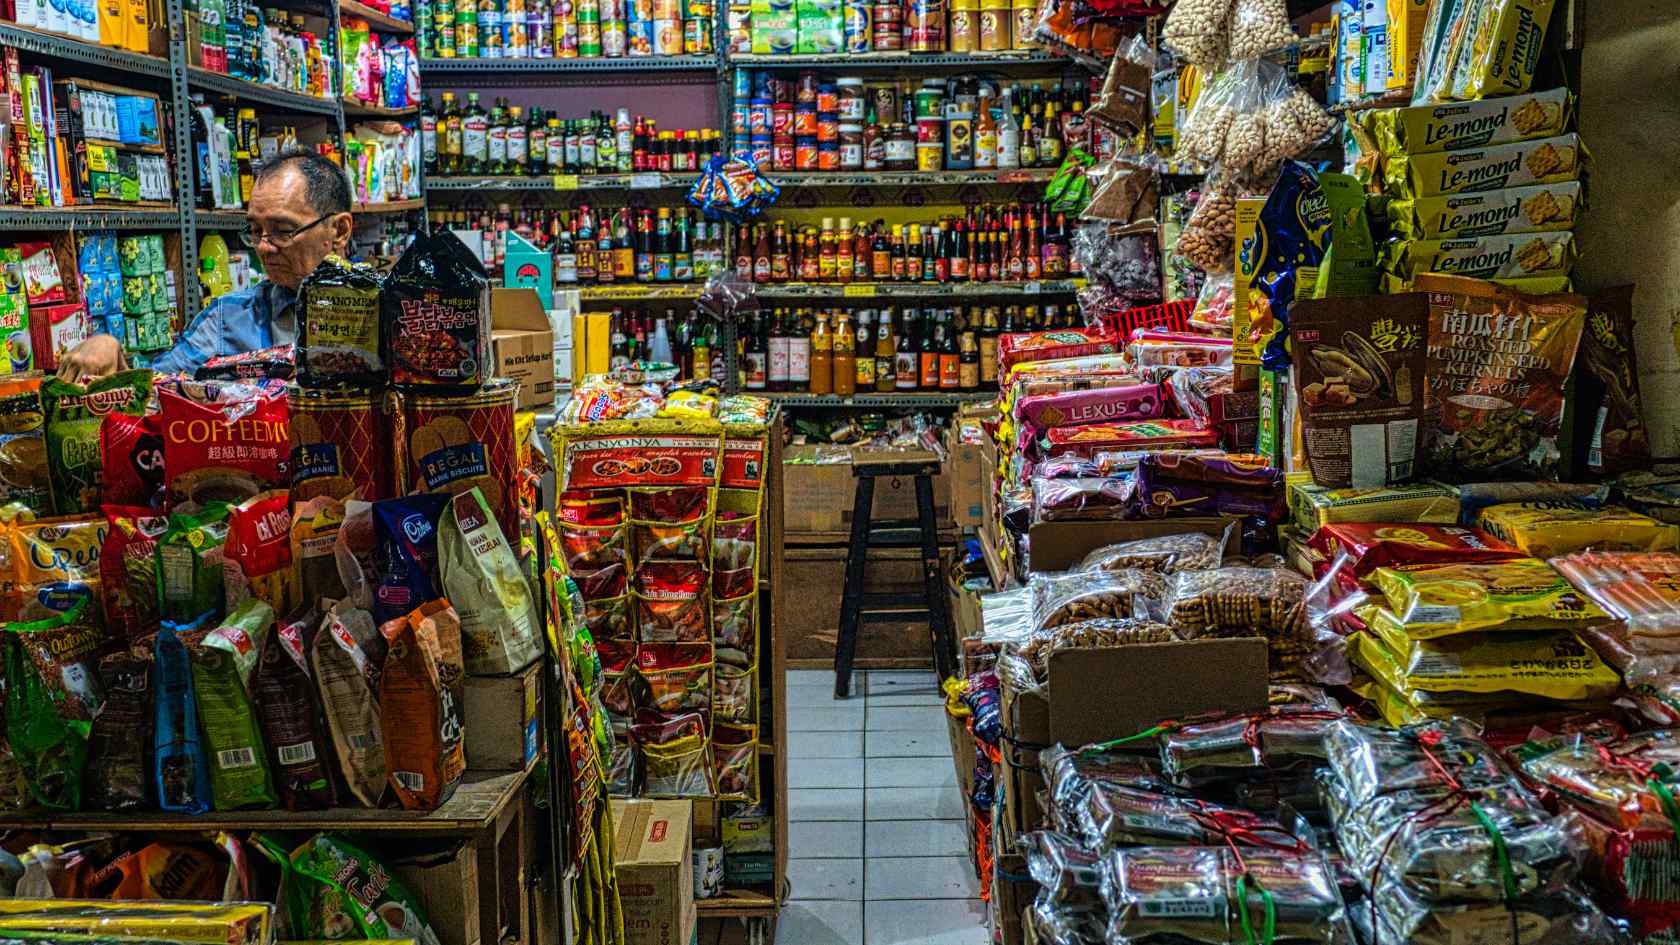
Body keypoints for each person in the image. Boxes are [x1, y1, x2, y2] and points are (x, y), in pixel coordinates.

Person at [55, 149, 355, 382]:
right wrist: (109, 351)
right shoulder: (228, 319)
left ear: (339, 231)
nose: (264, 246)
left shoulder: (386, 313)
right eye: (255, 230)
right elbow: (154, 393)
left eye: (283, 230)